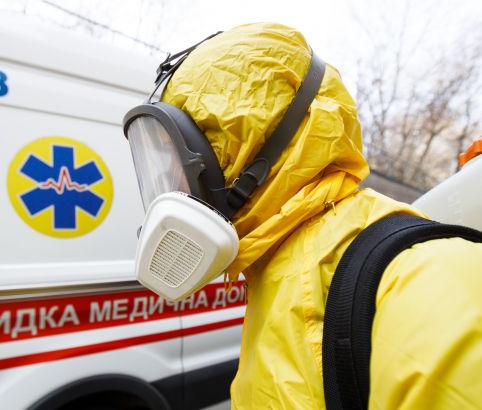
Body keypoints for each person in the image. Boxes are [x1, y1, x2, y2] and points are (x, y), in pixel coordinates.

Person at [130, 23, 482, 408]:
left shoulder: (425, 284)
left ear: (252, 158)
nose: (173, 188)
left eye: (182, 162)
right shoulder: (270, 273)